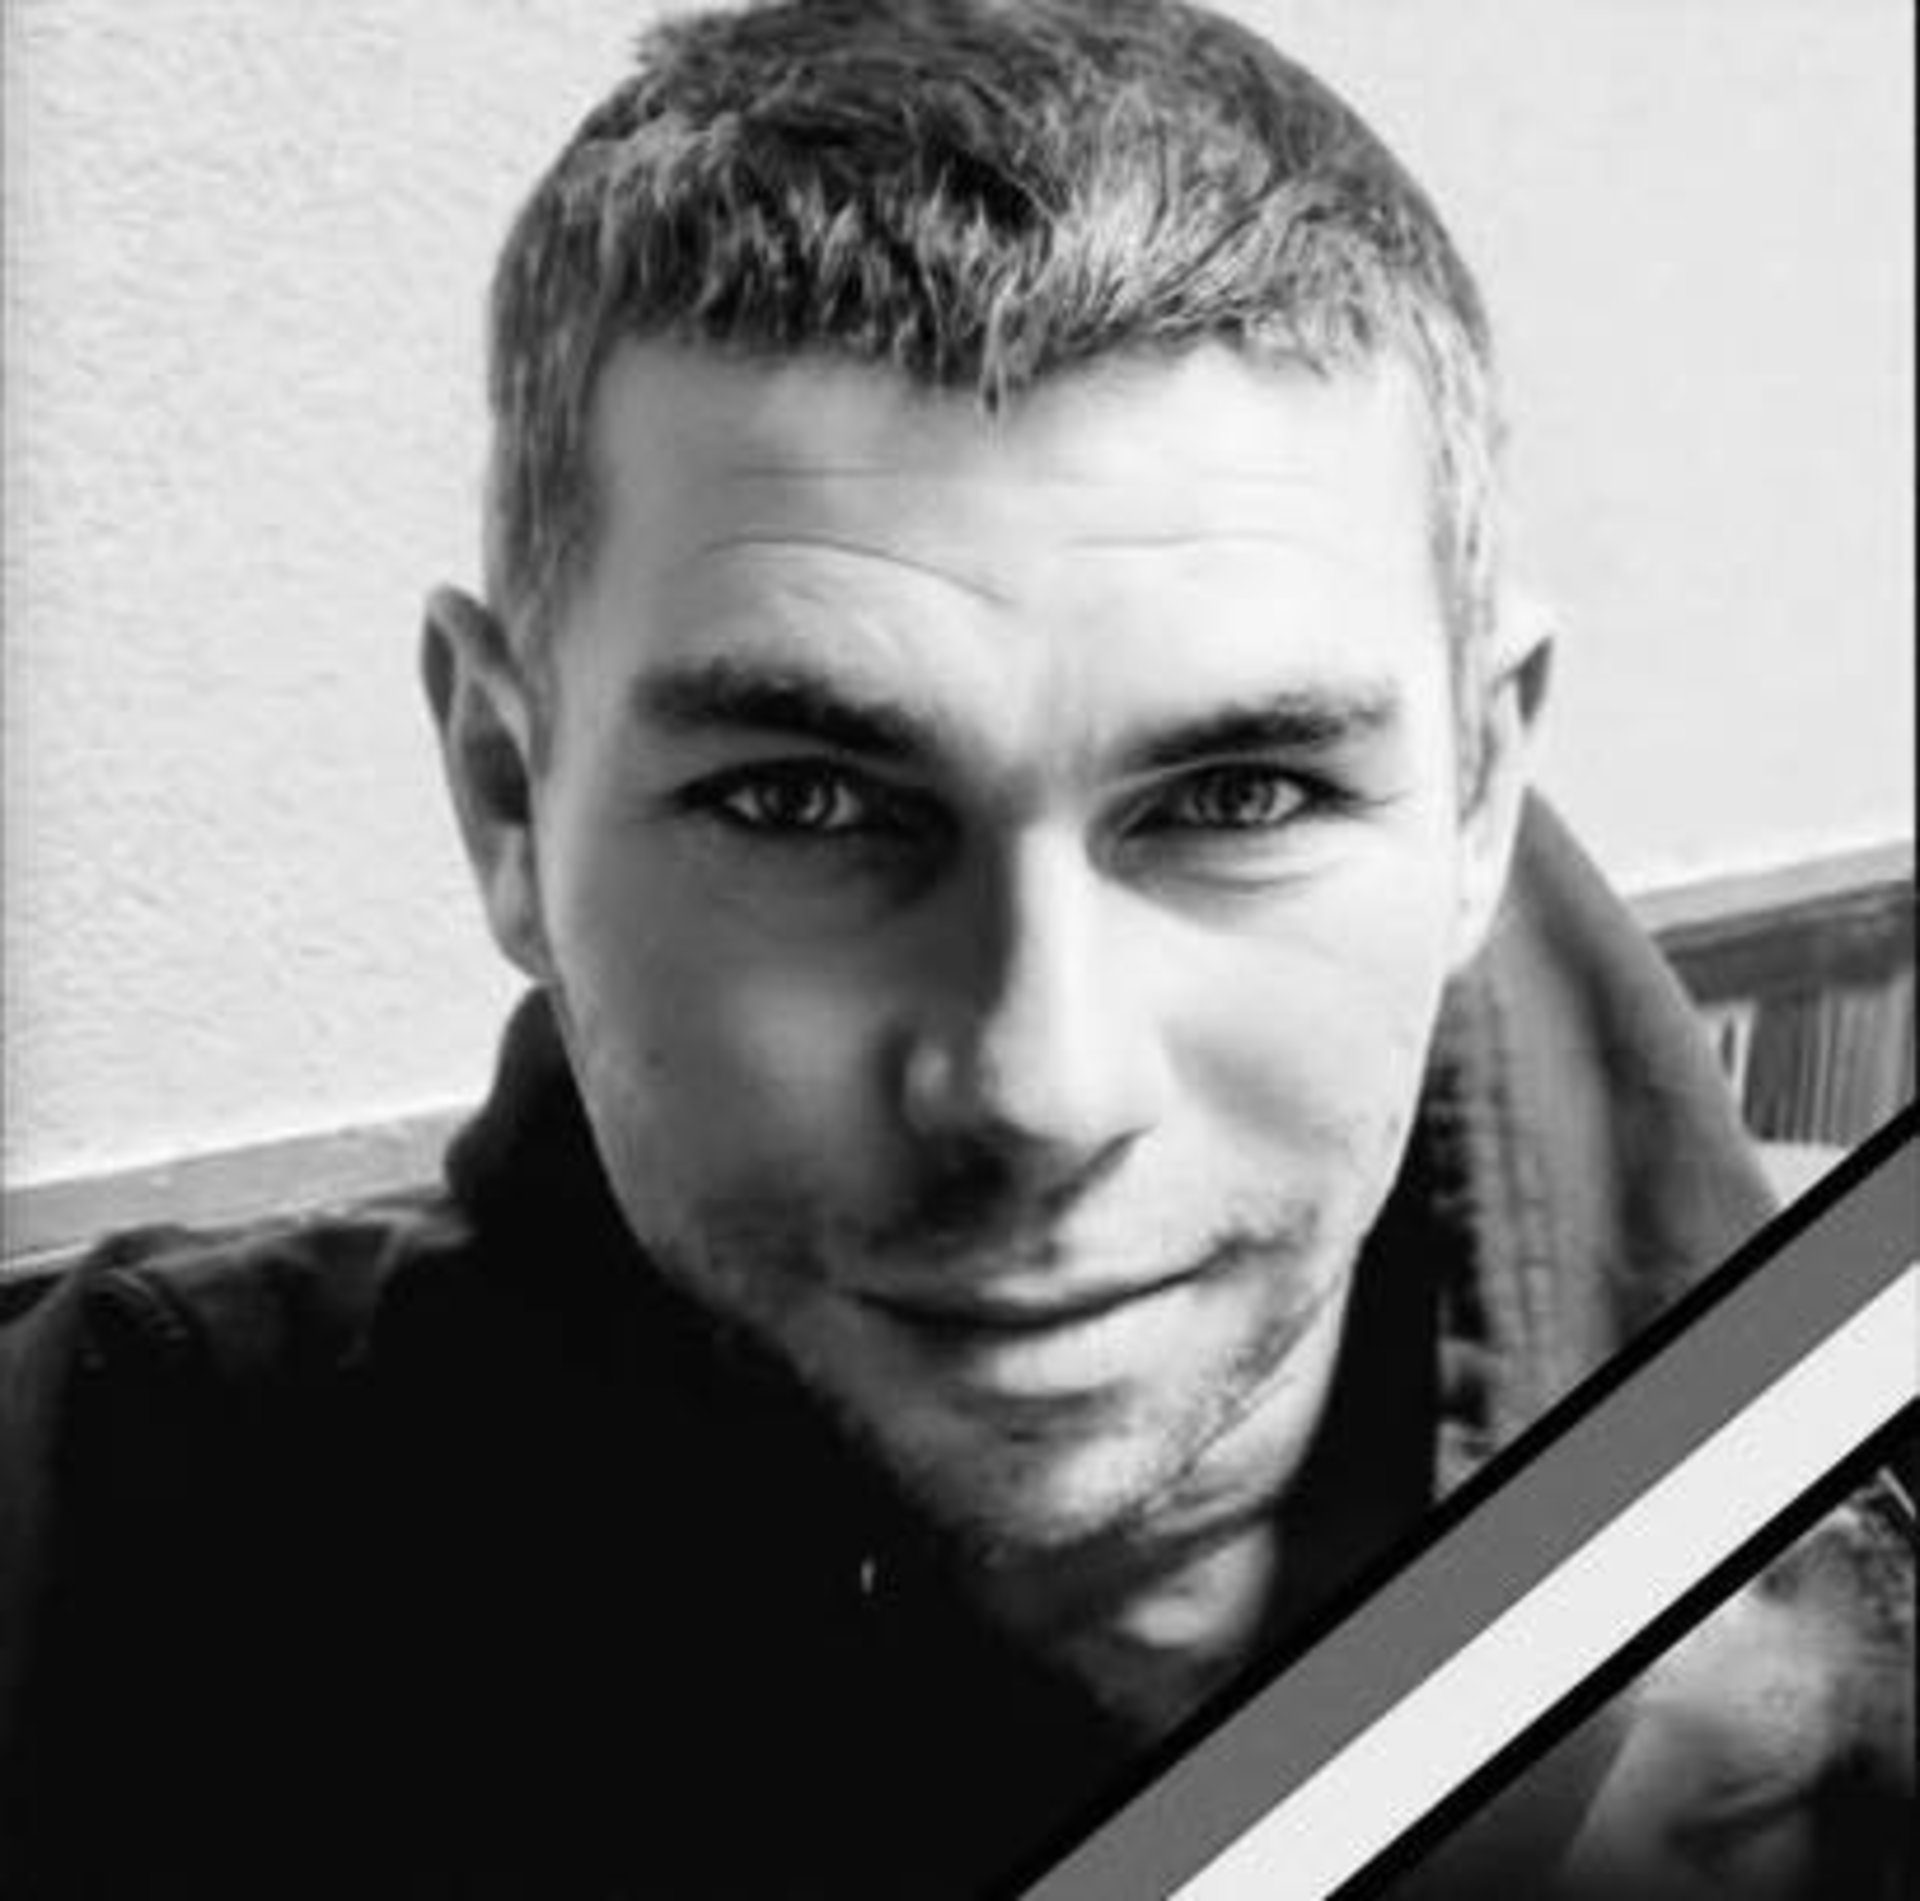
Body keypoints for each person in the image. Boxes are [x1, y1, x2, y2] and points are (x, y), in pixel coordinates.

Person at [1, 2, 1909, 1895]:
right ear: (509, 794)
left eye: (1240, 796)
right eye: (803, 800)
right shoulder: (118, 1525)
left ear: (1480, 786)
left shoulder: (1856, 1490)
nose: (1038, 1086)